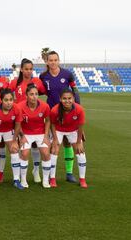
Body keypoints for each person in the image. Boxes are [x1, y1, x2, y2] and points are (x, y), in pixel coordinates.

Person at [39, 51, 81, 183]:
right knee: (53, 144)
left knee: (68, 142)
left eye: (55, 60)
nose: (53, 62)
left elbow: (75, 91)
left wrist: (77, 108)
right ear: (47, 62)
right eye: (50, 60)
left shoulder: (67, 74)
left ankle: (69, 173)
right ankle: (52, 176)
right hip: (52, 114)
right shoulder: (43, 76)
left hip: (68, 113)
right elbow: (40, 91)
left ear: (59, 61)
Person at [9, 58, 46, 183]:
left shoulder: (37, 81)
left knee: (36, 145)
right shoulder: (15, 82)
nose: (28, 71)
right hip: (20, 119)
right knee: (23, 146)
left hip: (34, 117)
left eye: (31, 69)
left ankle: (36, 170)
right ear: (21, 69)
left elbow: (41, 93)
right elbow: (8, 96)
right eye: (26, 69)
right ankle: (20, 175)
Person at [50, 88, 87, 188]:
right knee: (54, 151)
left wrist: (79, 142)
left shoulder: (79, 109)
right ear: (60, 99)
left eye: (69, 98)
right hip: (58, 130)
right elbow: (52, 124)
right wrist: (54, 139)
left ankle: (82, 180)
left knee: (81, 153)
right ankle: (52, 179)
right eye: (64, 98)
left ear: (73, 99)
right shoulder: (54, 110)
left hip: (73, 130)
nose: (67, 101)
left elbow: (80, 127)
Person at [0, 88, 24, 190]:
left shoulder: (17, 109)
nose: (9, 103)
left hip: (9, 131)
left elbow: (17, 125)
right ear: (1, 100)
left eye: (11, 100)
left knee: (14, 149)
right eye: (6, 100)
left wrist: (14, 141)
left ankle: (16, 180)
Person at [18, 83, 52, 188]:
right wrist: (22, 136)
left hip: (41, 133)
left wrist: (46, 136)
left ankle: (45, 180)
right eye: (31, 94)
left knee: (46, 154)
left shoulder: (45, 106)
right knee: (24, 154)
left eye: (36, 94)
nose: (34, 96)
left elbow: (48, 121)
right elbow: (17, 123)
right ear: (26, 95)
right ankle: (23, 179)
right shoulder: (19, 106)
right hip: (26, 133)